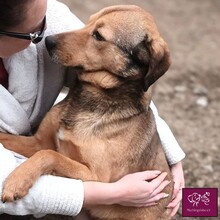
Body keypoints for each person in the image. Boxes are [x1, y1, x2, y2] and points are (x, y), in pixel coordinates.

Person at [0, 0, 185, 219]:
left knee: (200, 204)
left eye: (97, 34)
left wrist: (174, 159)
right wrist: (117, 192)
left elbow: (138, 93)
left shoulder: (42, 12)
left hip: (135, 211)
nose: (49, 37)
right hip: (83, 199)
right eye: (35, 33)